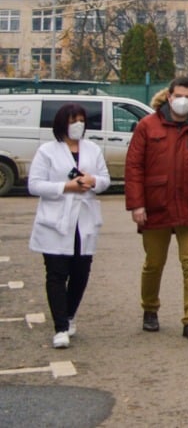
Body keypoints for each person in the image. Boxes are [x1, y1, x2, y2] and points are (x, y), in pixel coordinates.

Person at [125, 76, 188, 341]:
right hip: (156, 206)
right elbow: (134, 167)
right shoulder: (147, 126)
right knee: (154, 263)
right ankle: (150, 309)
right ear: (168, 97)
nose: (183, 101)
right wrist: (137, 204)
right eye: (179, 95)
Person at [29, 102, 110, 349]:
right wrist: (65, 187)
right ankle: (60, 327)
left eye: (82, 120)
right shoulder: (47, 151)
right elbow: (34, 185)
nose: (78, 125)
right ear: (62, 122)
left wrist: (92, 180)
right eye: (73, 120)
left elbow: (106, 180)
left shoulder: (93, 149)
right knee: (56, 274)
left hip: (83, 221)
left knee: (80, 273)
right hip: (56, 221)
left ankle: (70, 314)